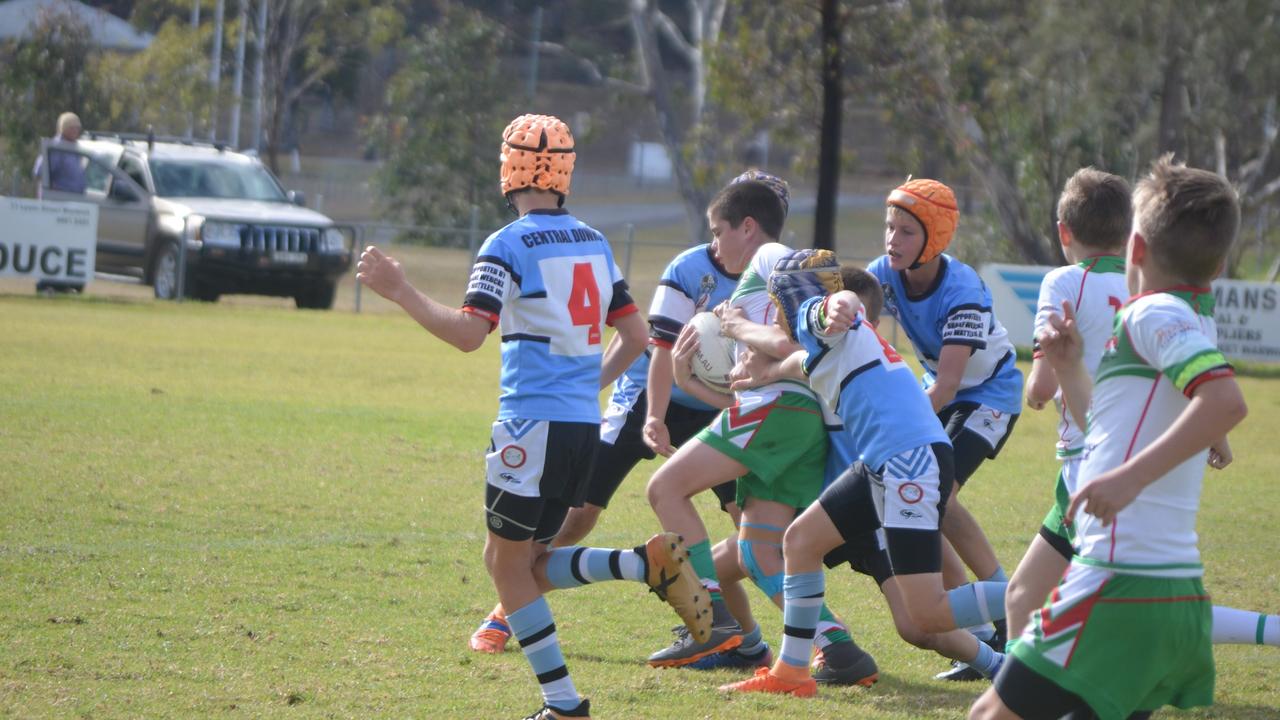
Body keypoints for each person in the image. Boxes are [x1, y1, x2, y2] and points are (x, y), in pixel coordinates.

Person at [357, 114, 710, 720]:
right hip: (579, 428)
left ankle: (564, 703)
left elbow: (470, 335)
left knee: (504, 565)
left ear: (509, 168)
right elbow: (631, 333)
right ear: (564, 171)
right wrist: (586, 384)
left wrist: (400, 290)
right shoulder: (595, 242)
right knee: (533, 564)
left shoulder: (506, 243)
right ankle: (640, 564)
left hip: (529, 428)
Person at [969, 157, 1248, 720]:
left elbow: (1225, 401)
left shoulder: (1153, 313)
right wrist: (1071, 371)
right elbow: (1113, 434)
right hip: (1170, 597)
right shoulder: (1180, 319)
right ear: (1219, 265)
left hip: (1118, 584)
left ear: (1136, 248)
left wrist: (1127, 479)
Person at [465, 170, 769, 657]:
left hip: (717, 408)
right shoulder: (690, 268)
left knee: (749, 525)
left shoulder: (771, 280)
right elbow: (654, 342)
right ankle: (507, 607)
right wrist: (639, 407)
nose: (719, 237)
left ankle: (741, 638)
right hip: (648, 395)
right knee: (580, 513)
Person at [1007, 167, 1280, 655]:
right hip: (1138, 458)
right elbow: (1204, 376)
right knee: (1034, 598)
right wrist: (1217, 437)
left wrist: (1039, 385)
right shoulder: (1184, 301)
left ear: (1064, 232)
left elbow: (1041, 388)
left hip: (1096, 460)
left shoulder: (1081, 287)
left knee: (1098, 607)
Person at [720, 251, 1010, 698]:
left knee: (926, 615)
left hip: (908, 461)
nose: (774, 315)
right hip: (885, 460)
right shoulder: (836, 344)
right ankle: (792, 672)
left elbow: (837, 307)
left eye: (776, 303)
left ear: (789, 299)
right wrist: (756, 376)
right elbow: (791, 364)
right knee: (800, 542)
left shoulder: (820, 317)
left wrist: (737, 323)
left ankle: (1046, 602)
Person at [644, 181, 878, 685]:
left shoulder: (771, 254)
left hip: (777, 412)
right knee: (759, 551)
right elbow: (755, 380)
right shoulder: (758, 288)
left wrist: (736, 325)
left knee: (664, 487)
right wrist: (687, 381)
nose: (714, 245)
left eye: (718, 232)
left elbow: (804, 315)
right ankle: (837, 646)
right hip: (791, 419)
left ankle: (712, 617)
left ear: (747, 227)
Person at [867, 178, 1020, 680]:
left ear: (934, 239)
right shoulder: (881, 276)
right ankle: (984, 624)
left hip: (987, 397)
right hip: (936, 391)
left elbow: (950, 386)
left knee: (934, 498)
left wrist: (891, 427)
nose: (892, 240)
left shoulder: (962, 290)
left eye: (906, 232)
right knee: (933, 501)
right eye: (890, 227)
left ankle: (1006, 614)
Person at [33, 112, 87, 196]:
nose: (76, 131)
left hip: (76, 201)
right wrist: (53, 189)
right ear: (64, 128)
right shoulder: (56, 147)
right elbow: (41, 171)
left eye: (77, 128)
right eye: (72, 128)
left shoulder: (75, 148)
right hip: (58, 202)